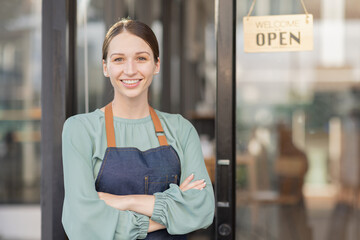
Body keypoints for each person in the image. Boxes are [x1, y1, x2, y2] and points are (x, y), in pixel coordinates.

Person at [61, 18, 215, 239]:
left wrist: (126, 201)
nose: (130, 70)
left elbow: (202, 209)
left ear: (156, 64)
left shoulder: (181, 129)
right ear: (106, 67)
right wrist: (168, 213)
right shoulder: (80, 130)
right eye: (119, 59)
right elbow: (81, 222)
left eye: (141, 58)